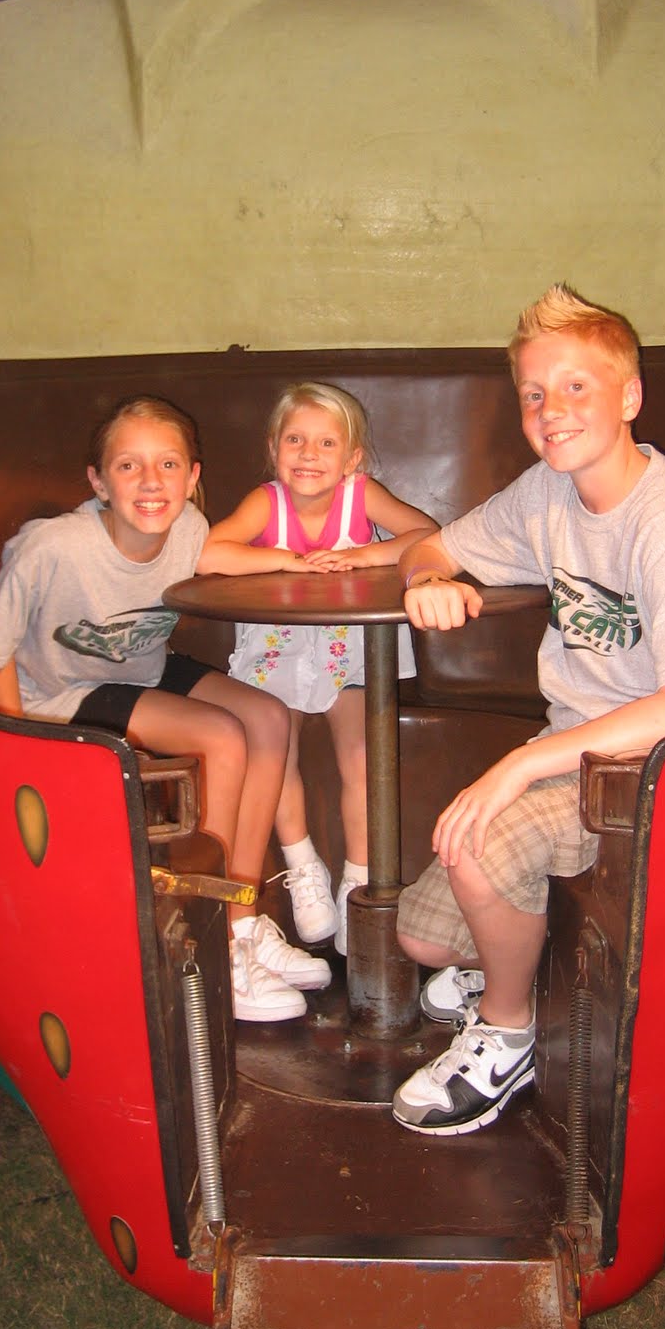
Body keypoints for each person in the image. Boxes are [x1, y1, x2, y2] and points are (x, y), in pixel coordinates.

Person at [392, 286, 665, 1135]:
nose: (550, 411)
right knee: (423, 941)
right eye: (533, 394)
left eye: (574, 387)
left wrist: (517, 765)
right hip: (578, 747)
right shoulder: (548, 493)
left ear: (629, 397)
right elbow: (430, 545)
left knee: (474, 844)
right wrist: (430, 578)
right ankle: (522, 963)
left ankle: (508, 1032)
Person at [0, 394, 333, 1025]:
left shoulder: (188, 525)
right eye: (128, 466)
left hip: (140, 666)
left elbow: (218, 557)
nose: (150, 482)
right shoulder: (53, 548)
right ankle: (210, 942)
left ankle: (243, 921)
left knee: (270, 717)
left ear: (192, 478)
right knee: (222, 736)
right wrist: (21, 743)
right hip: (61, 691)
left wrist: (298, 562)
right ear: (98, 482)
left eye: (168, 465)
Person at [203, 382, 437, 954]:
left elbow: (426, 533)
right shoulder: (267, 503)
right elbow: (208, 552)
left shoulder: (361, 494)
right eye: (295, 441)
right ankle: (302, 861)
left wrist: (361, 554)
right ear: (273, 449)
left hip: (350, 643)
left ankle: (358, 878)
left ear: (352, 458)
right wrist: (284, 561)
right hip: (279, 640)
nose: (309, 454)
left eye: (327, 443)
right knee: (274, 752)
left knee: (360, 756)